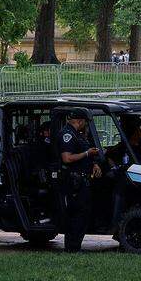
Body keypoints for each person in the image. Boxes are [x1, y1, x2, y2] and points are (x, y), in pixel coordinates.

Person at [58, 108, 101, 252]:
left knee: (83, 214)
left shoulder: (78, 135)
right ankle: (72, 248)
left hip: (82, 180)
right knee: (76, 215)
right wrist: (87, 153)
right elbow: (67, 158)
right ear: (80, 121)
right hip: (73, 182)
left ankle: (75, 246)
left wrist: (94, 163)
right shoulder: (67, 135)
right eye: (85, 122)